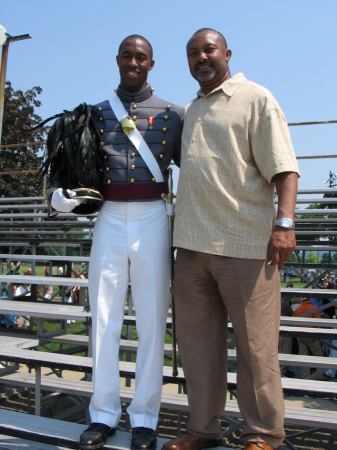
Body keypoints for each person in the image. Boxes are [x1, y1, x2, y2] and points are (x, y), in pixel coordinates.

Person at [163, 28, 299, 450]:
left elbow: (285, 170)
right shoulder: (190, 110)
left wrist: (284, 225)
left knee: (257, 350)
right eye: (192, 53)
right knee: (198, 349)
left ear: (227, 53)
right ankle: (203, 430)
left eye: (209, 50)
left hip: (245, 245)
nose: (201, 57)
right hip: (191, 250)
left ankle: (263, 435)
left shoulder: (256, 98)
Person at [47, 35, 183, 450]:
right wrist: (57, 193)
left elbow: (194, 168)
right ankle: (103, 413)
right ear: (118, 60)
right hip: (108, 217)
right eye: (127, 55)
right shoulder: (93, 114)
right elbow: (68, 160)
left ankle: (145, 417)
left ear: (152, 63)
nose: (134, 62)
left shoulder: (175, 115)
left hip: (152, 217)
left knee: (151, 321)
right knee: (103, 318)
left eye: (141, 57)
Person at [293, 297, 323, 379]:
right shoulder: (313, 308)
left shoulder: (297, 310)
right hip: (311, 335)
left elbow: (294, 322)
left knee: (303, 356)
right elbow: (318, 323)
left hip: (300, 335)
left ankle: (305, 375)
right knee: (318, 355)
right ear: (309, 299)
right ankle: (320, 376)